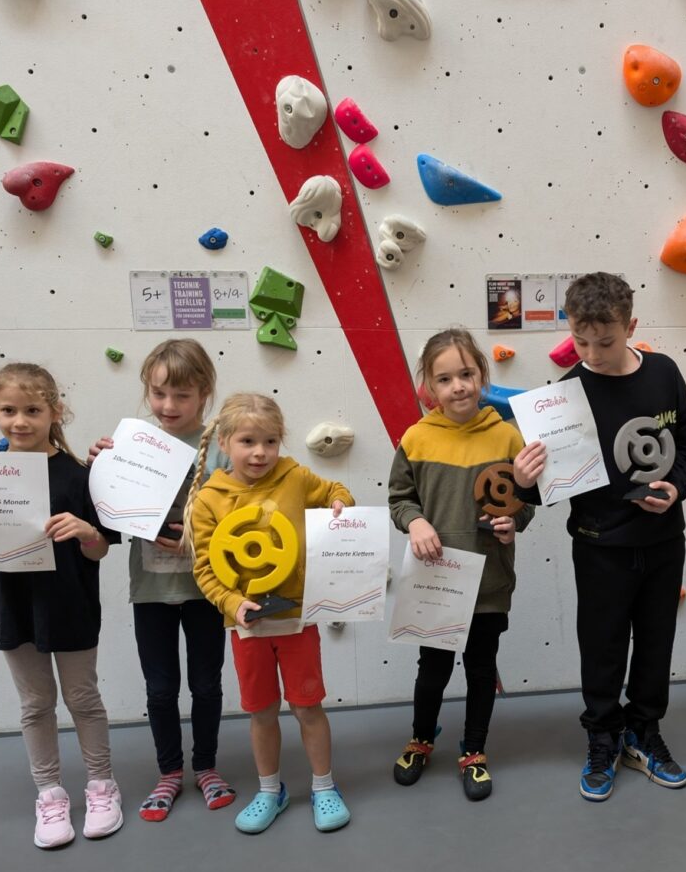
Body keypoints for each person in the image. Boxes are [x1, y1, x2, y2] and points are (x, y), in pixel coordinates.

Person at [512, 271, 686, 801]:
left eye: (606, 341)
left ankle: (643, 732)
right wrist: (524, 481)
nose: (592, 354)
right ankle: (602, 737)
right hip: (599, 546)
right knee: (601, 648)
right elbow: (541, 492)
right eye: (581, 342)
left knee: (656, 643)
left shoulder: (664, 373)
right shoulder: (562, 397)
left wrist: (677, 487)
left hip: (664, 541)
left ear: (631, 327)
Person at [0, 363, 122, 849]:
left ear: (56, 411)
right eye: (9, 410)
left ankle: (102, 785)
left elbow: (100, 550)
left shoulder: (80, 476)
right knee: (35, 704)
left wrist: (87, 531)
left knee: (83, 699)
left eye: (33, 410)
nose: (20, 421)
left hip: (72, 605)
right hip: (13, 605)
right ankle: (49, 794)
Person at [186, 393, 354, 833]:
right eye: (248, 441)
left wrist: (340, 504)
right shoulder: (209, 499)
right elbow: (204, 568)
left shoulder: (294, 476)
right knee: (261, 711)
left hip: (298, 619)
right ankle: (269, 790)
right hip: (247, 627)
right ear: (225, 442)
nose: (260, 452)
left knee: (308, 706)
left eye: (270, 441)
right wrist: (231, 603)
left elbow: (334, 491)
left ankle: (324, 786)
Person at [87, 340, 235, 822]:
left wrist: (201, 542)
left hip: (207, 589)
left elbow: (241, 518)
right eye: (158, 393)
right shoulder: (132, 445)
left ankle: (206, 767)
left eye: (182, 395)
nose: (168, 405)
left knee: (207, 684)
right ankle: (169, 772)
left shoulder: (222, 448)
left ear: (205, 393)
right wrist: (100, 466)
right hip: (151, 589)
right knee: (160, 688)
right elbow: (107, 509)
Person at [388, 328, 535, 801]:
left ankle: (474, 751)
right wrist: (415, 523)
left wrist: (515, 523)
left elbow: (525, 500)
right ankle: (420, 740)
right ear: (429, 385)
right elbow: (399, 499)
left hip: (490, 580)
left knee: (480, 668)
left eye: (466, 374)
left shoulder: (507, 435)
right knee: (432, 668)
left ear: (481, 376)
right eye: (445, 379)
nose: (458, 387)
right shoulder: (416, 438)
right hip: (435, 581)